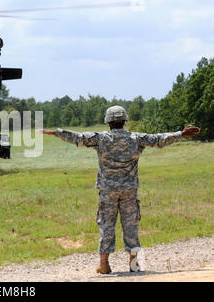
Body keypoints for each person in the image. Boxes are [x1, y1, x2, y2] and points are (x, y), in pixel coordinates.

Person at [39, 106, 201, 274]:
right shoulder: (135, 138)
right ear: (125, 121)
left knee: (106, 225)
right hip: (129, 190)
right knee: (131, 225)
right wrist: (180, 134)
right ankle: (134, 264)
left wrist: (55, 132)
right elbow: (158, 139)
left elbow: (78, 138)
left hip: (108, 191)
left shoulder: (101, 138)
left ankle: (104, 264)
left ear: (108, 122)